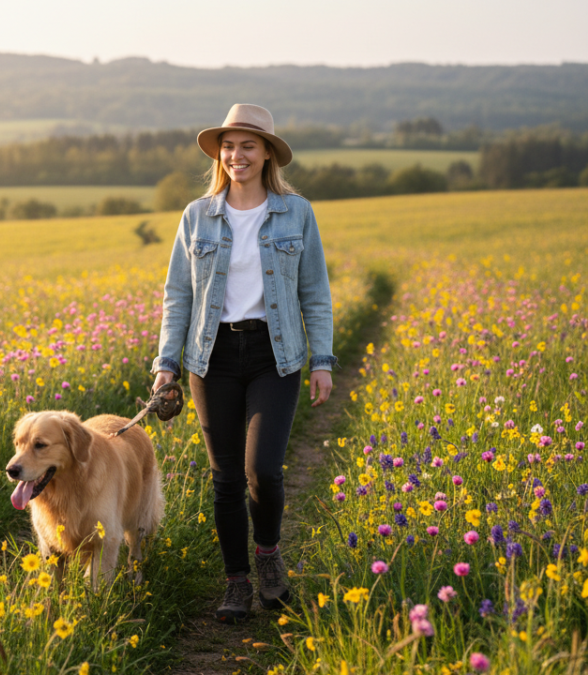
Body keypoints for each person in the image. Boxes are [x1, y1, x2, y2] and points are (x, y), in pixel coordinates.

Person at [150, 104, 336, 623]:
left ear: (268, 153)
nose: (237, 155)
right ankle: (236, 582)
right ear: (220, 155)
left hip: (276, 354)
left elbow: (315, 292)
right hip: (212, 357)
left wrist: (322, 360)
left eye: (248, 146)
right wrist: (166, 364)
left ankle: (268, 554)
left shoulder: (296, 213)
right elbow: (178, 297)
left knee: (263, 471)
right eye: (229, 146)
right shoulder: (197, 216)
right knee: (227, 478)